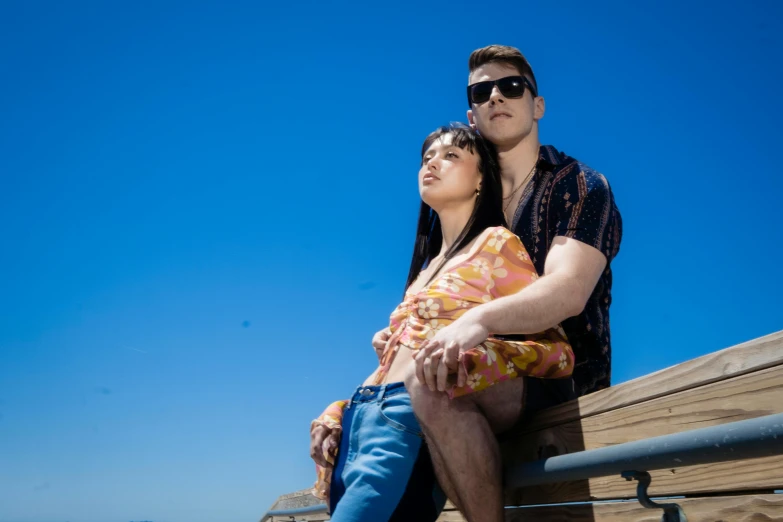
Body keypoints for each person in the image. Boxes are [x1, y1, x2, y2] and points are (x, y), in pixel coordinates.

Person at [387, 45, 622, 522]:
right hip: (459, 383)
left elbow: (568, 292)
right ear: (471, 114)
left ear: (537, 105)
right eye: (481, 91)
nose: (496, 96)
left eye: (511, 86)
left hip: (562, 385)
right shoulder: (456, 207)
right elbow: (415, 315)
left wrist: (477, 320)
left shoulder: (577, 184)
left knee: (433, 381)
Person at [309, 123, 574, 522]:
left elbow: (549, 342)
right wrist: (339, 411)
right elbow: (397, 359)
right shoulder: (424, 271)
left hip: (409, 419)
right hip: (362, 422)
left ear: (482, 178)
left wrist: (472, 350)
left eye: (451, 155)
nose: (433, 162)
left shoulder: (496, 245)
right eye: (427, 157)